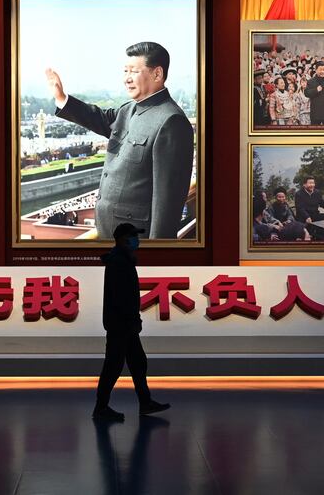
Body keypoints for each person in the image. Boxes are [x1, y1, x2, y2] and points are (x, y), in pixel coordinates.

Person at [47, 41, 194, 240]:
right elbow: (98, 118)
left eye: (133, 71)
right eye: (125, 71)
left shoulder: (171, 121)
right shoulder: (129, 109)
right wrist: (62, 98)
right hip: (109, 234)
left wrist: (158, 253)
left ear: (157, 74)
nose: (127, 79)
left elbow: (167, 203)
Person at [94, 222, 170, 421]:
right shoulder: (119, 262)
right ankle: (101, 408)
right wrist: (132, 320)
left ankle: (145, 402)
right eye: (133, 236)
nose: (137, 240)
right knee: (114, 366)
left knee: (137, 362)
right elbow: (122, 297)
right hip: (122, 324)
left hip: (123, 323)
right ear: (122, 239)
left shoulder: (121, 259)